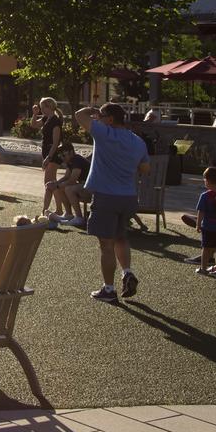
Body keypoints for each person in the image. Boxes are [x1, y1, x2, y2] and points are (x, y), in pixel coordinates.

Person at [75, 103, 150, 302]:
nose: (98, 118)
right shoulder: (138, 142)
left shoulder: (104, 133)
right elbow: (145, 169)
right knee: (121, 237)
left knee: (106, 245)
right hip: (128, 197)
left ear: (109, 119)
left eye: (101, 116)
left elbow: (79, 115)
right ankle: (127, 272)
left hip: (106, 196)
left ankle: (109, 289)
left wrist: (93, 110)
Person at [193, 167, 216, 277]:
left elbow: (201, 212)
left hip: (208, 227)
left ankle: (203, 268)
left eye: (204, 179)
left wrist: (198, 224)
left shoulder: (205, 196)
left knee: (206, 248)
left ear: (208, 181)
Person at [47, 142, 90, 228]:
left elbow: (72, 180)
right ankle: (68, 214)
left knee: (69, 189)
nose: (62, 157)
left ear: (71, 152)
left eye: (63, 154)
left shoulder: (77, 160)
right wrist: (55, 183)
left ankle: (79, 218)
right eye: (60, 155)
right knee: (61, 188)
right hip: (85, 186)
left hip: (93, 189)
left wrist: (57, 185)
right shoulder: (70, 161)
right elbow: (66, 177)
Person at [34, 97, 64, 216]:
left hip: (53, 154)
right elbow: (34, 125)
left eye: (42, 107)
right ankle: (45, 210)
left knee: (49, 182)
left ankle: (58, 209)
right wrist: (35, 114)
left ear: (49, 107)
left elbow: (56, 142)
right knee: (49, 183)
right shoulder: (47, 118)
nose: (41, 110)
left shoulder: (56, 121)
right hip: (47, 152)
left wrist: (48, 158)